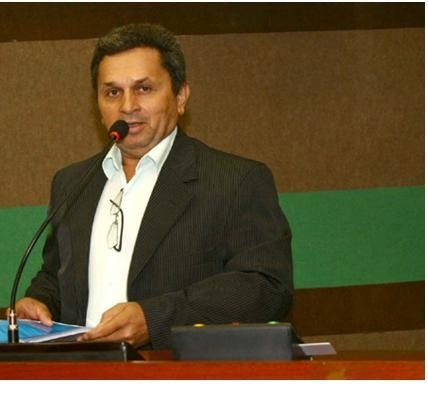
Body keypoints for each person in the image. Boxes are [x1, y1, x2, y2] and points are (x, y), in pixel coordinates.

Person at [15, 23, 293, 350]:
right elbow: (57, 274)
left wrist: (155, 319)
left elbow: (266, 287)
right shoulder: (72, 182)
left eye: (144, 88)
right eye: (112, 92)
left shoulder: (235, 180)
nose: (127, 106)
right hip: (82, 369)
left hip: (177, 371)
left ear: (181, 96)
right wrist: (38, 301)